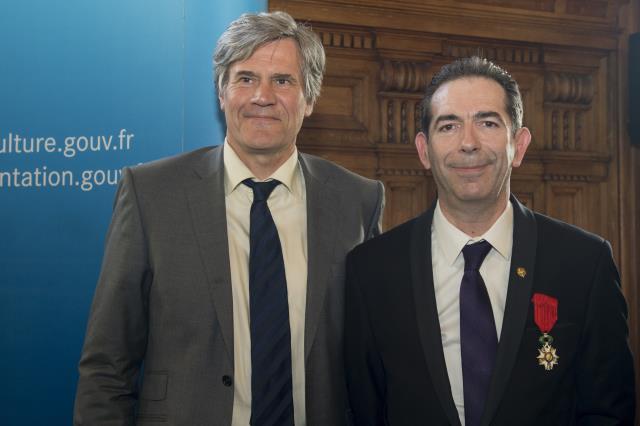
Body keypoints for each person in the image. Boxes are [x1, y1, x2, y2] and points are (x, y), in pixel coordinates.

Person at [74, 11, 384, 425]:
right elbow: (107, 365)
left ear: (309, 99)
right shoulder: (151, 195)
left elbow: (375, 359)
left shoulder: (357, 200)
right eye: (245, 78)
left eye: (283, 81)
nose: (262, 96)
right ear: (222, 93)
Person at [344, 57, 634, 426]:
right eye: (449, 125)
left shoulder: (584, 262)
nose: (468, 143)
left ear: (519, 144)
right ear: (423, 150)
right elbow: (364, 412)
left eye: (488, 122)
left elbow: (608, 413)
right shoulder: (371, 270)